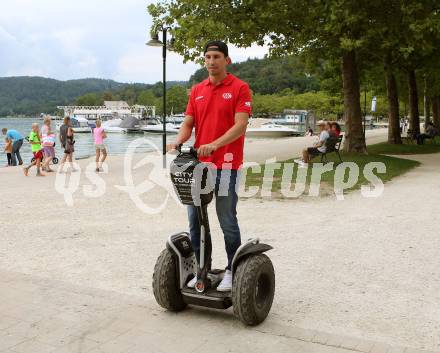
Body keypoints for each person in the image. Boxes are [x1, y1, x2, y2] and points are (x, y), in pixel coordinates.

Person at [167, 40, 252, 292]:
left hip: (227, 165)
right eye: (207, 57)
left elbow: (241, 125)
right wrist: (178, 140)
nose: (211, 61)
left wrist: (214, 144)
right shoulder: (197, 90)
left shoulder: (240, 88)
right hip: (199, 167)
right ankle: (203, 268)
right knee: (195, 220)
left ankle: (231, 270)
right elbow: (188, 124)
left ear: (227, 60)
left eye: (216, 56)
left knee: (226, 219)